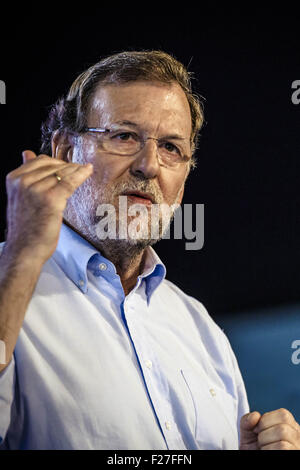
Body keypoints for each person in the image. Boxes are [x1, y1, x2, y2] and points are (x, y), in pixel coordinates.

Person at [0, 50, 299, 451]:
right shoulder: (9, 284)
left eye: (172, 148)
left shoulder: (200, 329)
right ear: (66, 152)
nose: (149, 165)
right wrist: (20, 259)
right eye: (124, 136)